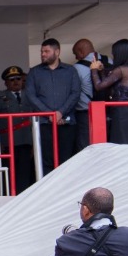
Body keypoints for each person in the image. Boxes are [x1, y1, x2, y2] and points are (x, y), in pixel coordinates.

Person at [27, 38, 82, 171]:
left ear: (57, 52)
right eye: (42, 51)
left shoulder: (70, 71)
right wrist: (50, 114)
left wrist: (60, 113)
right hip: (44, 123)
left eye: (46, 51)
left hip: (66, 122)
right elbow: (31, 96)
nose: (43, 54)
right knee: (45, 160)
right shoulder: (34, 72)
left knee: (67, 161)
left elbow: (75, 93)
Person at [0, 66, 36, 192]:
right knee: (9, 173)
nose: (16, 82)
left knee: (25, 172)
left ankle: (23, 196)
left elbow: (34, 120)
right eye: (11, 80)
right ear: (6, 82)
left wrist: (34, 142)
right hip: (7, 142)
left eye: (18, 79)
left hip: (26, 140)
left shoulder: (30, 96)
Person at [90, 40, 128, 146]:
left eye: (114, 52)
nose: (112, 55)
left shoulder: (121, 69)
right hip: (126, 112)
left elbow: (99, 86)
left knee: (120, 149)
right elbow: (107, 84)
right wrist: (102, 71)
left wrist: (93, 70)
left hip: (122, 114)